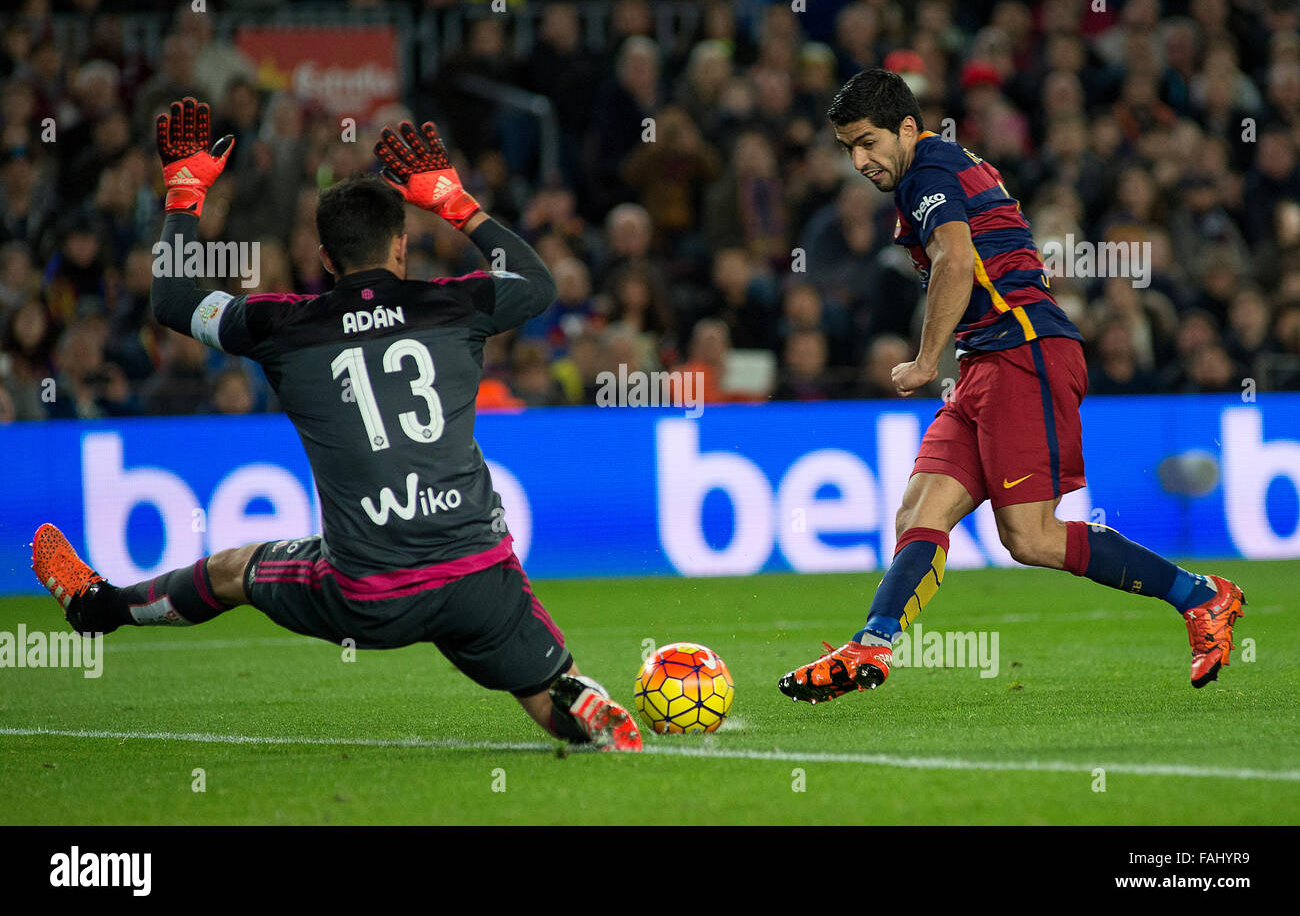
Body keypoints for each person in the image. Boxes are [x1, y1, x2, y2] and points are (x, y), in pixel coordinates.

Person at [31, 98, 641, 752]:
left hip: (369, 591)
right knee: (542, 685)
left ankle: (101, 606)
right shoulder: (456, 303)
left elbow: (172, 300)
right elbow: (538, 282)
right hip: (477, 575)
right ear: (403, 246)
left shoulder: (282, 325)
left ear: (324, 257)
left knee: (236, 567)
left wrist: (183, 194)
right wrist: (458, 203)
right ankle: (577, 701)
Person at [779, 69, 1245, 702]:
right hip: (986, 363)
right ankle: (872, 646)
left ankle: (1204, 596)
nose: (858, 161)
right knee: (919, 511)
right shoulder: (938, 167)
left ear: (907, 129)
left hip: (1025, 353)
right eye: (848, 149)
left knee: (1030, 537)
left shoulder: (928, 172)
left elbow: (954, 258)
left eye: (867, 143)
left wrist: (923, 360)